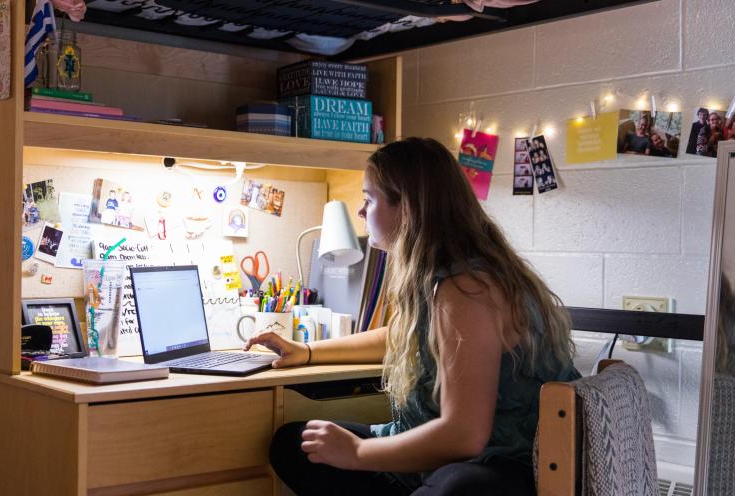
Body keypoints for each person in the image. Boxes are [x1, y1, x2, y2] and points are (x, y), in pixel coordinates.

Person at [244, 137, 580, 495]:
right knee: (297, 444)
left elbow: (465, 435)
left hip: (508, 463)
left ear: (407, 208)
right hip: (465, 455)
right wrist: (307, 352)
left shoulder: (466, 289)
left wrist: (357, 452)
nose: (361, 212)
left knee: (452, 488)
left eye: (369, 199)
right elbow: (400, 336)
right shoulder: (446, 274)